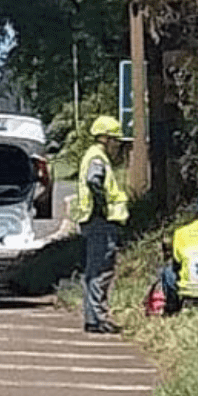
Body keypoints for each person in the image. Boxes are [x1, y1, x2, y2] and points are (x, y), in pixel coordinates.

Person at [74, 115, 130, 334]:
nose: (118, 145)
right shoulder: (98, 158)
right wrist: (104, 207)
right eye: (115, 140)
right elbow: (93, 180)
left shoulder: (93, 155)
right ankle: (99, 318)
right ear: (105, 138)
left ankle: (92, 318)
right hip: (101, 222)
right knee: (101, 271)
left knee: (92, 272)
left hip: (93, 222)